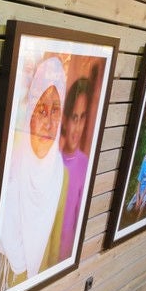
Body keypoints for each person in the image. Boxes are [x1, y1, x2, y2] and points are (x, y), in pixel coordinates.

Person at [0, 56, 69, 291]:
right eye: (41, 110)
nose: (48, 123)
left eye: (55, 111)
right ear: (29, 113)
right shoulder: (10, 158)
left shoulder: (61, 176)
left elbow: (56, 251)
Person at [59, 78, 90, 261]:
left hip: (66, 261)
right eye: (74, 118)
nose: (77, 128)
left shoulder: (85, 166)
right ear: (64, 120)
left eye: (82, 118)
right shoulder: (53, 162)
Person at [126, 131, 146, 216]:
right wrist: (137, 197)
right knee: (129, 207)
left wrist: (141, 199)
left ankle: (138, 217)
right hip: (140, 189)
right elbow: (140, 179)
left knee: (141, 206)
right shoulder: (145, 157)